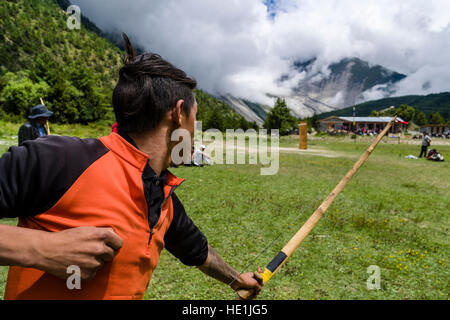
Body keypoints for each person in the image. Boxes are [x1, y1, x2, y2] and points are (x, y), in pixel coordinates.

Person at [0, 33, 262, 300]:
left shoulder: (164, 199)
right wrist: (42, 248)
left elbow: (198, 252)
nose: (195, 133)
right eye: (196, 119)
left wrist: (236, 280)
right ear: (179, 113)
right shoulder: (60, 160)